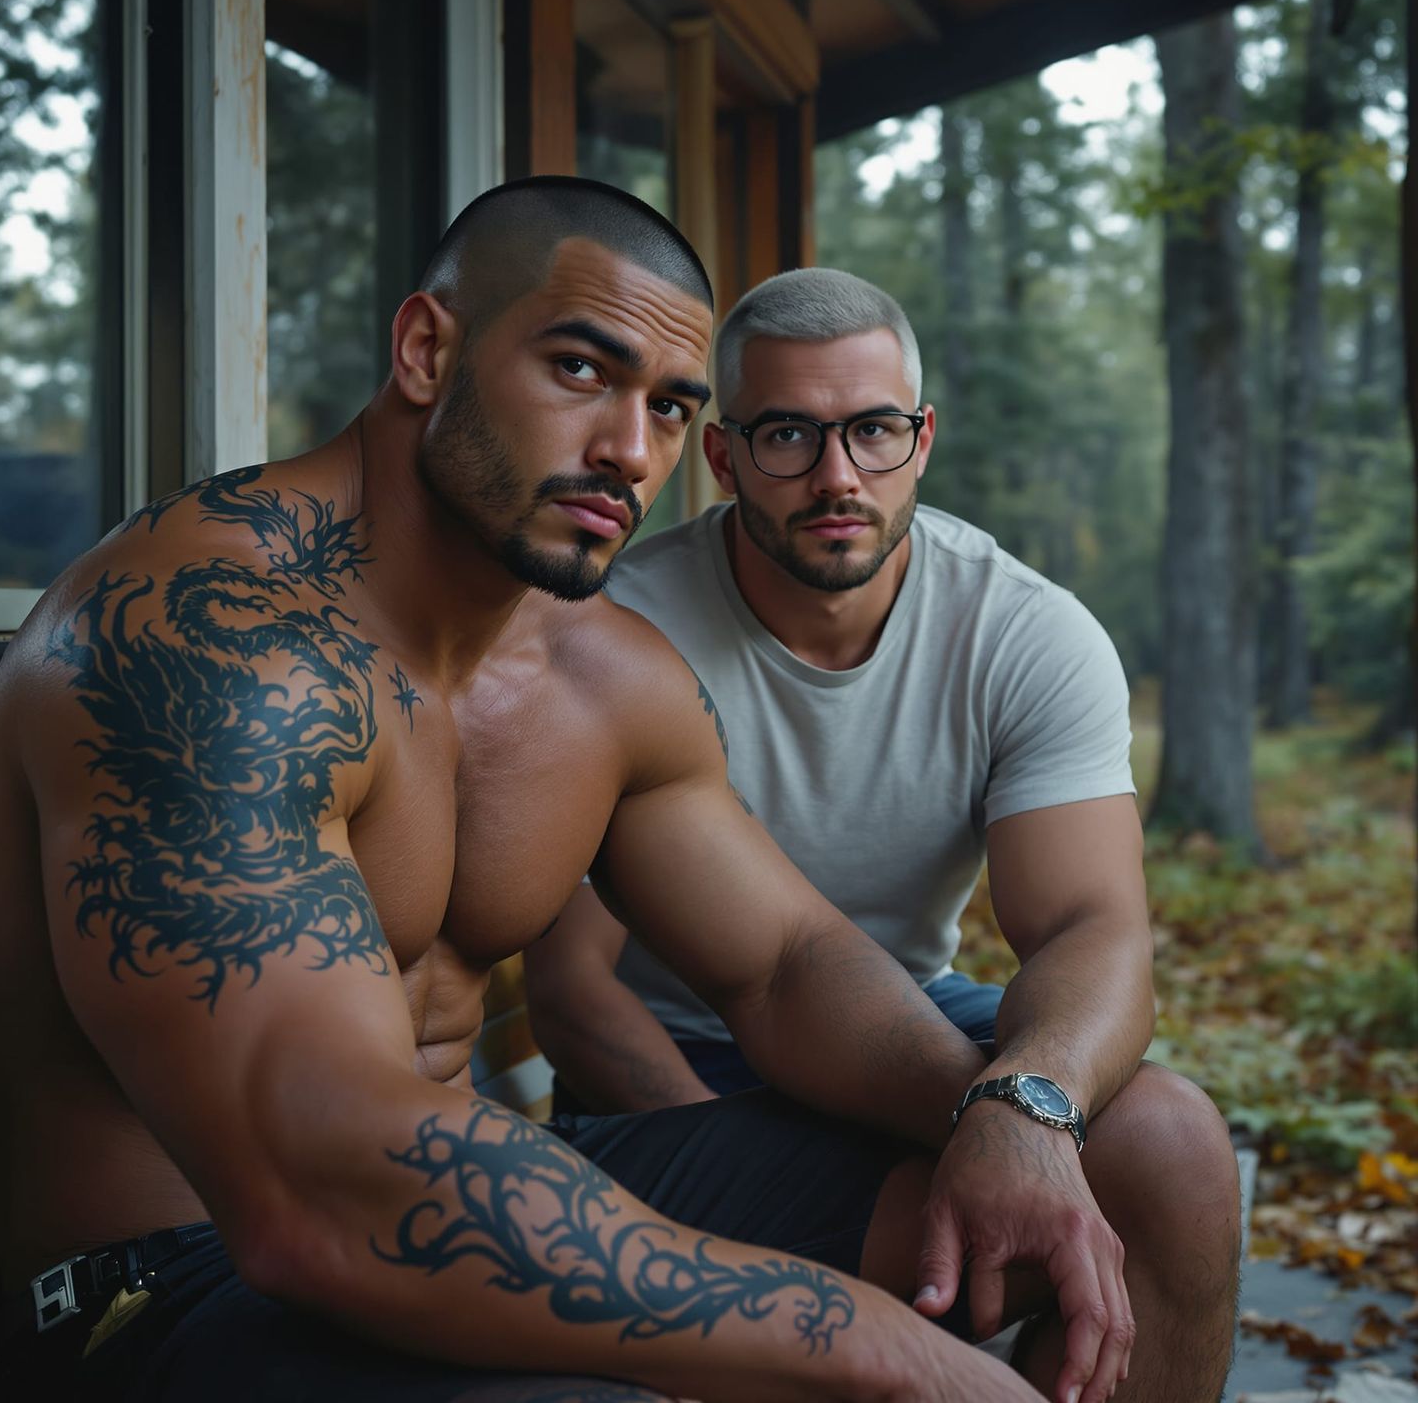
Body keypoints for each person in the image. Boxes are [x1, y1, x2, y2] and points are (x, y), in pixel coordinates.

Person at [0, 179, 1163, 1403]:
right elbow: (315, 1183)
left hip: (479, 1187)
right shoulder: (207, 642)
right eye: (581, 370)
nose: (630, 451)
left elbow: (784, 966)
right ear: (427, 350)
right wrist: (877, 1345)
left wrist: (1008, 1117)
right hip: (178, 1285)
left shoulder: (595, 672)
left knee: (1143, 1156)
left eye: (669, 406)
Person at [525, 266, 1242, 1402]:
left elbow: (1090, 927)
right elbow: (574, 992)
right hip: (676, 1060)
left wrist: (1021, 1109)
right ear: (722, 458)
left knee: (1175, 1145)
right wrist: (752, 1192)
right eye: (787, 436)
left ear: (922, 439)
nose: (837, 475)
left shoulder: (1023, 633)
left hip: (904, 1024)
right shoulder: (622, 631)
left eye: (872, 430)